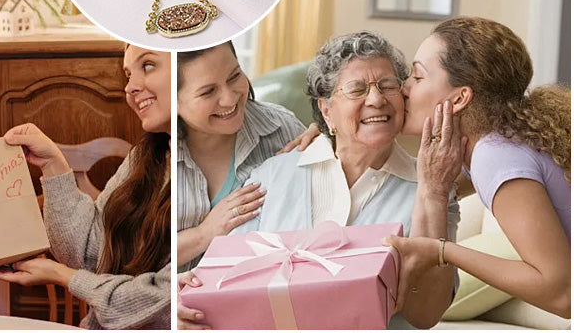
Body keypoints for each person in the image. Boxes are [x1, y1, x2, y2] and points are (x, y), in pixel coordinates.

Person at [177, 32, 461, 330]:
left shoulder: (433, 188)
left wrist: (434, 194)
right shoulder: (270, 177)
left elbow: (426, 315)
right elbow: (225, 284)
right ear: (326, 110)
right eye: (357, 89)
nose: (376, 99)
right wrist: (185, 300)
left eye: (387, 86)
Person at [386, 17, 570, 318]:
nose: (403, 88)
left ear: (459, 98)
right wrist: (329, 131)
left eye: (417, 78)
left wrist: (442, 250)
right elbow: (417, 186)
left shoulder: (494, 156)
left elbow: (560, 293)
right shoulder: (492, 143)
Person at [0, 45, 171, 330]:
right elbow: (88, 253)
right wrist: (53, 165)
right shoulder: (145, 157)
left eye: (148, 66)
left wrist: (63, 276)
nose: (131, 87)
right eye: (127, 74)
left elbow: (164, 303)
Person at [177, 42, 313, 272]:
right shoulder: (155, 157)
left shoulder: (282, 128)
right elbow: (135, 261)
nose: (230, 99)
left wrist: (332, 140)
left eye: (234, 76)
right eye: (208, 91)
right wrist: (204, 234)